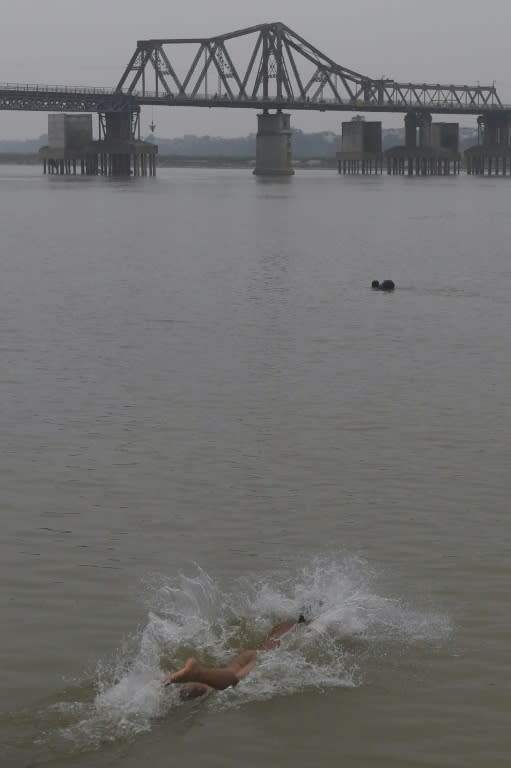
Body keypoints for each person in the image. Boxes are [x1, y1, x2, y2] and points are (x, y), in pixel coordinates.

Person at [162, 615, 309, 699]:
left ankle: (173, 685)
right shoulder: (302, 625)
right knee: (233, 682)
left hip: (253, 653)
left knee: (213, 685)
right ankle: (197, 674)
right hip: (265, 659)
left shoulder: (286, 623)